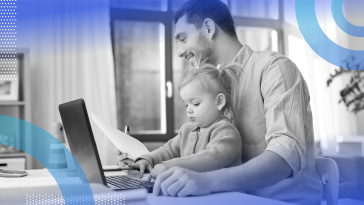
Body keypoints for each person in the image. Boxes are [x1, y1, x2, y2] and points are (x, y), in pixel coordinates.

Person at [117, 0, 323, 204]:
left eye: (182, 38)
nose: (179, 51)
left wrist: (205, 181)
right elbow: (181, 147)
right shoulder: (208, 87)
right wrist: (145, 162)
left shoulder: (274, 69)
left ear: (208, 28)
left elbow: (284, 159)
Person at [127, 64, 243, 181]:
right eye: (186, 104)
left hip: (226, 196)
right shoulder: (186, 130)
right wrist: (148, 159)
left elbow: (212, 158)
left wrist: (169, 166)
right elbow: (168, 150)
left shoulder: (226, 132)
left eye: (196, 103)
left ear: (219, 102)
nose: (188, 109)